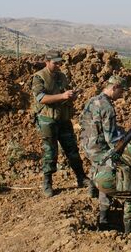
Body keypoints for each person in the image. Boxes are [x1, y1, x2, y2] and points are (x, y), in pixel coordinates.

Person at [30, 50, 90, 197]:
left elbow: (64, 94)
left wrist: (71, 96)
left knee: (72, 150)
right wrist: (62, 95)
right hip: (47, 120)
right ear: (47, 62)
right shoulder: (39, 77)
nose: (58, 65)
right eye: (55, 63)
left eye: (59, 63)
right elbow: (41, 98)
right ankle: (47, 183)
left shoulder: (61, 76)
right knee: (50, 152)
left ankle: (81, 178)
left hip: (63, 118)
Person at [79, 75, 126, 228]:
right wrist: (124, 140)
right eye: (121, 91)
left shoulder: (93, 100)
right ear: (114, 88)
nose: (122, 95)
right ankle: (104, 218)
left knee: (95, 165)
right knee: (107, 172)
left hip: (86, 144)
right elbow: (110, 138)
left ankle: (91, 193)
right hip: (98, 147)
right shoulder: (107, 107)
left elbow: (83, 122)